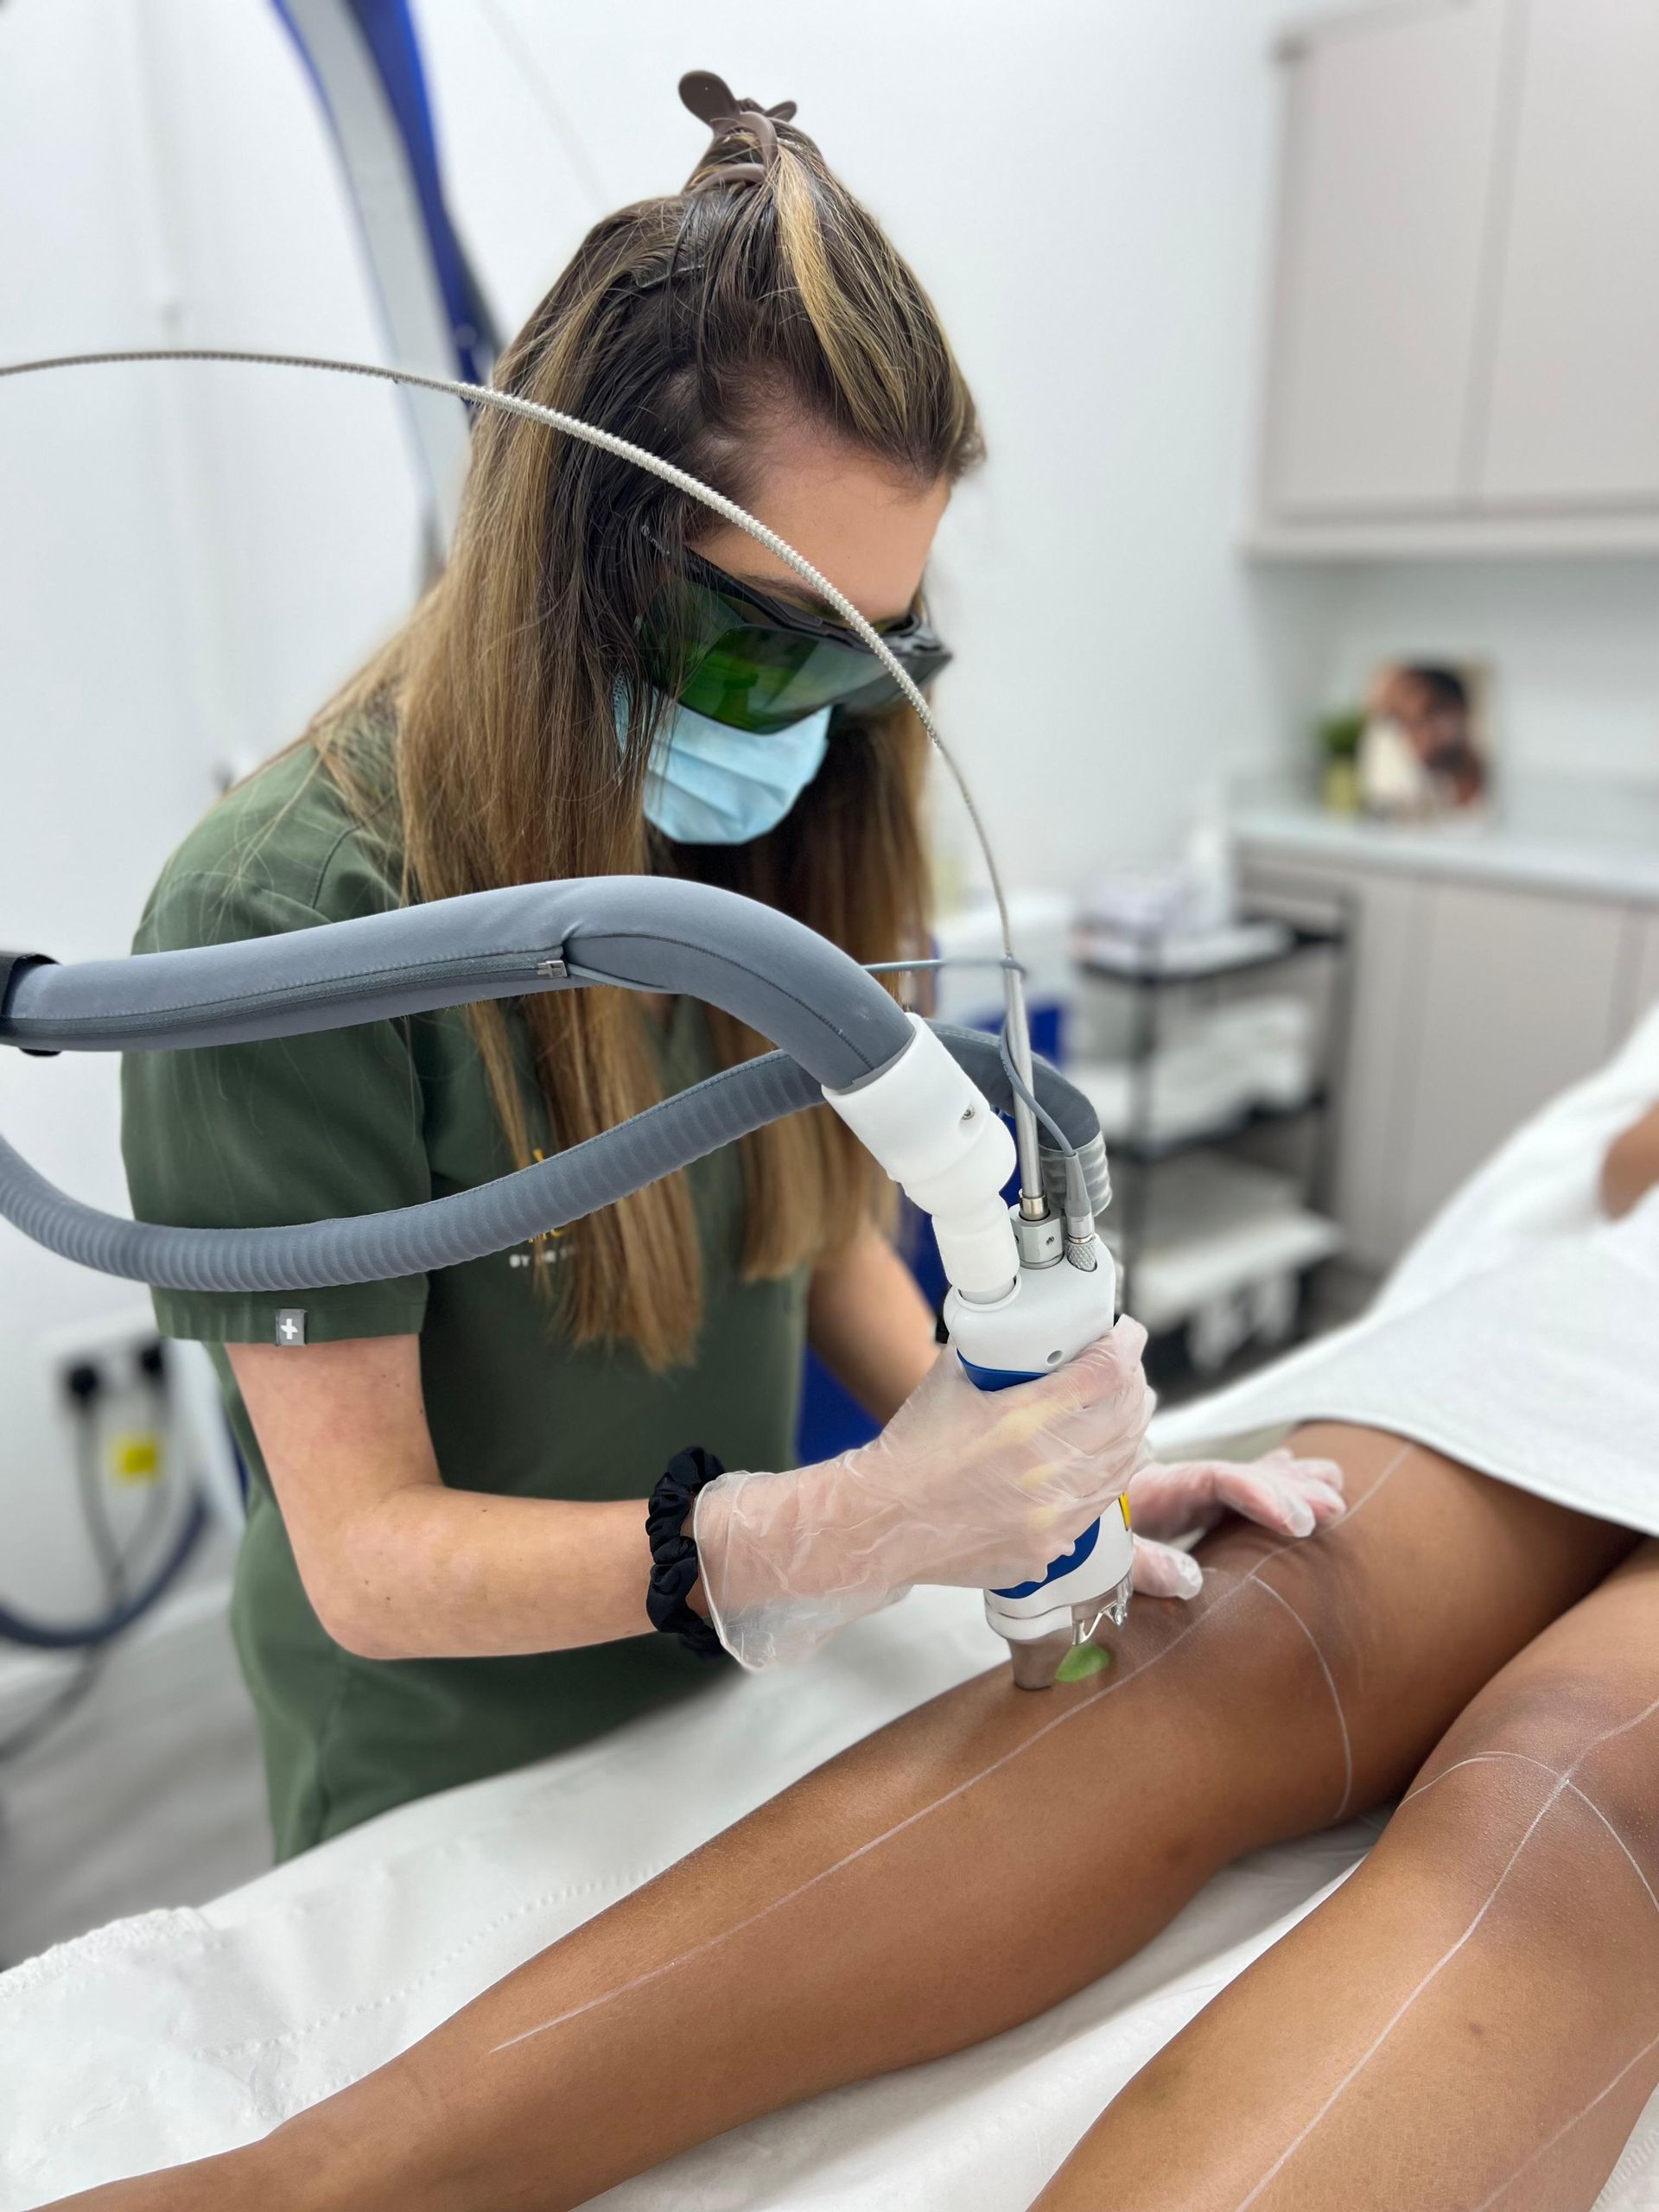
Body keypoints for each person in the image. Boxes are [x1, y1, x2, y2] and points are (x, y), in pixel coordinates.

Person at [118, 77, 1333, 1861]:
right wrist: (814, 1533)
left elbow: (809, 1215)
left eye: (868, 657)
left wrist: (1027, 1486)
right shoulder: (283, 922)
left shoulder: (758, 825)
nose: (815, 722)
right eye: (772, 648)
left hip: (731, 1720)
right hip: (452, 1792)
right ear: (576, 554)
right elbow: (366, 1558)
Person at [62, 1018, 1659, 2210]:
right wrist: (958, 1494)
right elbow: (1619, 1168)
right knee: (1201, 1629)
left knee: (1571, 1783)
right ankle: (325, 2178)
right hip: (1598, 1322)